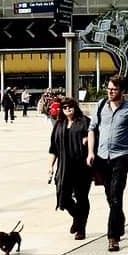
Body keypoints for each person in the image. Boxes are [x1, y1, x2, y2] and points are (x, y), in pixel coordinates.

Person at [87, 74, 128, 253]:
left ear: (122, 91)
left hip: (121, 156)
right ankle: (119, 220)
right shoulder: (100, 106)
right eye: (109, 88)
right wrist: (91, 152)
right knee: (110, 195)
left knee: (115, 194)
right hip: (102, 156)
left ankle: (113, 237)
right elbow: (92, 129)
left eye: (114, 89)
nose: (110, 92)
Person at [49, 97, 92, 240]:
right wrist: (50, 166)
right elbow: (53, 148)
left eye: (70, 106)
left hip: (81, 167)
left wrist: (88, 140)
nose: (67, 109)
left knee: (81, 197)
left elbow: (94, 135)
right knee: (64, 197)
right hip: (64, 167)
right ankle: (77, 217)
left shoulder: (84, 121)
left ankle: (81, 228)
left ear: (75, 107)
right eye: (64, 107)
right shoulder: (59, 124)